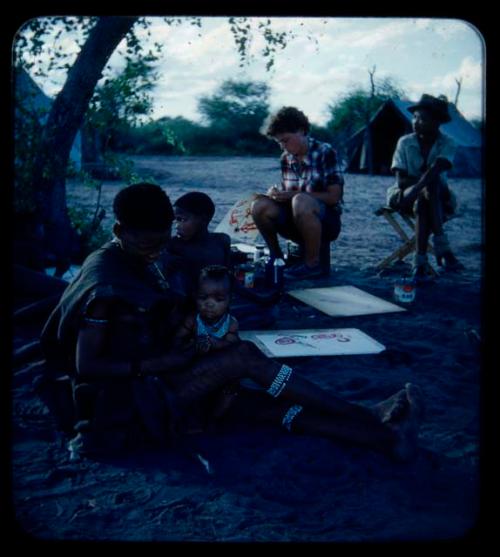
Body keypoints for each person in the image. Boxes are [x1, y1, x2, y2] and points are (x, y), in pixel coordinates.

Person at [39, 182, 424, 462]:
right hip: (125, 402)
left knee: (255, 406)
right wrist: (163, 362)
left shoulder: (135, 258)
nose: (156, 251)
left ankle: (384, 439)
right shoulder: (107, 282)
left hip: (157, 378)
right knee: (245, 358)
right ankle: (368, 416)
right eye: (147, 244)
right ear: (120, 231)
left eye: (161, 241)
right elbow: (85, 366)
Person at [251, 106, 344, 280]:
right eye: (279, 143)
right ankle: (277, 258)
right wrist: (276, 195)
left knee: (301, 200)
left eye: (285, 140)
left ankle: (312, 265)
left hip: (326, 221)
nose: (283, 147)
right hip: (295, 218)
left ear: (301, 131)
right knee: (259, 206)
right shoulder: (286, 158)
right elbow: (289, 195)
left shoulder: (325, 152)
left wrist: (293, 195)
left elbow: (334, 197)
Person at [387, 94, 464, 282]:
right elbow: (401, 180)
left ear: (437, 122)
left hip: (438, 197)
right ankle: (440, 248)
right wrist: (416, 189)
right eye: (415, 117)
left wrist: (418, 188)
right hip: (403, 195)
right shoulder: (404, 142)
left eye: (422, 118)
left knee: (430, 189)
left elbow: (439, 168)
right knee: (429, 188)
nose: (416, 122)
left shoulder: (448, 143)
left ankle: (419, 263)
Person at [169, 192, 231, 295]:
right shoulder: (174, 246)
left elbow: (229, 278)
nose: (177, 226)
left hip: (217, 301)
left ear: (203, 219)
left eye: (182, 220)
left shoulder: (221, 241)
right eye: (176, 220)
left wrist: (257, 297)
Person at [174, 265, 239, 355]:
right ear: (195, 296)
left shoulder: (230, 323)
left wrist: (215, 343)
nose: (209, 304)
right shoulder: (193, 320)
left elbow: (233, 346)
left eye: (218, 299)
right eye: (203, 297)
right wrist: (192, 344)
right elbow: (177, 340)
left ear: (230, 300)